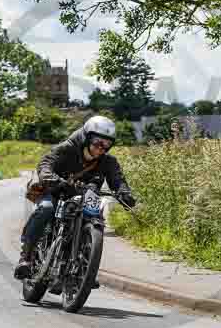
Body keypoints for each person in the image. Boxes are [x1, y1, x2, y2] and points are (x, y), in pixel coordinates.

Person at [14, 115, 137, 281]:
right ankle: (26, 259)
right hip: (55, 190)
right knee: (46, 209)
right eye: (97, 142)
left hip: (84, 196)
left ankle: (86, 269)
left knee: (95, 219)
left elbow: (118, 180)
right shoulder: (67, 149)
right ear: (86, 138)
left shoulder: (108, 162)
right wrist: (57, 181)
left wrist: (124, 193)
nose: (101, 147)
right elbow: (45, 164)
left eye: (107, 144)